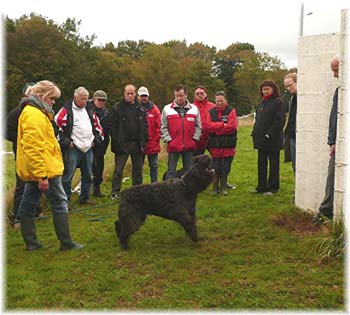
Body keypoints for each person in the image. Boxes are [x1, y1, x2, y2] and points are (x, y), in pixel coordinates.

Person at [16, 80, 84, 251]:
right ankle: (66, 243)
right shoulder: (33, 115)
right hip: (45, 170)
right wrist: (42, 175)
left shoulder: (37, 112)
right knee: (60, 201)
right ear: (41, 96)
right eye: (52, 98)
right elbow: (33, 147)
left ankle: (31, 243)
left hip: (40, 169)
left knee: (29, 202)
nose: (54, 102)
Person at [54, 87, 104, 204]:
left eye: (86, 99)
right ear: (75, 97)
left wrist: (95, 141)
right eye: (82, 99)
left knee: (87, 175)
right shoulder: (66, 110)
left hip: (88, 148)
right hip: (73, 148)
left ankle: (84, 198)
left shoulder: (90, 110)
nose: (84, 102)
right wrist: (67, 142)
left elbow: (98, 127)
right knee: (68, 176)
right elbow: (56, 128)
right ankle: (65, 201)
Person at [6, 82, 43, 226]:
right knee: (22, 186)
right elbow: (7, 132)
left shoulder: (39, 112)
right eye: (32, 93)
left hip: (37, 154)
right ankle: (17, 217)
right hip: (22, 155)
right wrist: (24, 139)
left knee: (37, 184)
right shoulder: (17, 112)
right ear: (26, 95)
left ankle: (36, 211)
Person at [109, 84, 148, 199]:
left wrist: (144, 140)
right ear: (124, 94)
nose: (130, 96)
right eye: (128, 93)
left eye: (132, 93)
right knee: (119, 170)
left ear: (135, 94)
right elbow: (111, 126)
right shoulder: (117, 108)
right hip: (123, 143)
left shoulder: (140, 108)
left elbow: (145, 125)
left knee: (137, 170)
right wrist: (116, 140)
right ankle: (115, 192)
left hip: (137, 143)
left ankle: (137, 191)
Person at [251, 80, 286, 196]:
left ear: (273, 89)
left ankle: (272, 188)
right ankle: (261, 187)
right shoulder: (262, 103)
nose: (265, 91)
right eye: (263, 89)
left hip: (273, 140)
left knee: (273, 164)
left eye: (267, 89)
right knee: (261, 164)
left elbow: (279, 121)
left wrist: (269, 134)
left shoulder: (278, 102)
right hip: (261, 140)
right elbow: (258, 121)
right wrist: (254, 132)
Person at [315, 55, 339, 221]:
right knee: (332, 176)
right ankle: (326, 210)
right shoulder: (339, 92)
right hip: (338, 145)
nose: (335, 75)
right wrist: (332, 141)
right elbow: (334, 118)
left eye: (336, 70)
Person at [161, 85, 202, 179]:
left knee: (189, 170)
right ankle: (170, 190)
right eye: (177, 96)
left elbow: (198, 126)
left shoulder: (194, 109)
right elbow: (163, 127)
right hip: (173, 145)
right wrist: (169, 141)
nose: (179, 98)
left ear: (186, 95)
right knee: (171, 170)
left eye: (181, 95)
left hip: (189, 145)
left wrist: (194, 139)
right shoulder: (167, 109)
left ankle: (188, 191)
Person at [206, 91, 238, 195]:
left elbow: (232, 127)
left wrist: (216, 128)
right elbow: (208, 126)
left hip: (228, 144)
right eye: (217, 101)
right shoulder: (211, 112)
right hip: (215, 145)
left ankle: (223, 187)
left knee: (226, 167)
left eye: (221, 101)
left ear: (225, 100)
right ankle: (215, 188)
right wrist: (222, 125)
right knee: (216, 166)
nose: (219, 103)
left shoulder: (231, 110)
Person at [87, 90, 111, 197]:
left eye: (103, 101)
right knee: (87, 167)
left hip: (101, 145)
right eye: (99, 100)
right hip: (89, 144)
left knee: (99, 167)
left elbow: (107, 129)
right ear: (94, 99)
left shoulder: (105, 112)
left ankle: (96, 189)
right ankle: (85, 191)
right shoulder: (87, 110)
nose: (101, 102)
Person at [137, 86, 161, 183]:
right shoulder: (134, 108)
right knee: (138, 167)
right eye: (142, 96)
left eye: (145, 96)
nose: (144, 98)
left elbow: (159, 126)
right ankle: (139, 187)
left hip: (152, 143)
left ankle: (154, 185)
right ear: (138, 96)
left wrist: (155, 139)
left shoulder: (154, 109)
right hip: (139, 143)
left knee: (154, 166)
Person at [283, 73, 298, 173]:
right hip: (292, 136)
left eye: (290, 85)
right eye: (286, 86)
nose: (288, 88)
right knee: (295, 165)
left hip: (301, 136)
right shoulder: (292, 99)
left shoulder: (306, 98)